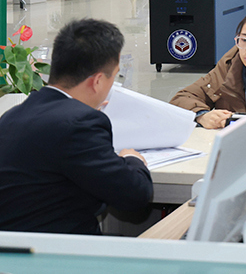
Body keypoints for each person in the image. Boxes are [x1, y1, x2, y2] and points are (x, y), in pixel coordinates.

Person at [0, 19, 153, 234]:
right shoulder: (80, 124)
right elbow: (135, 195)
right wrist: (132, 159)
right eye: (114, 75)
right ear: (97, 81)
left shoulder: (12, 116)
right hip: (59, 251)